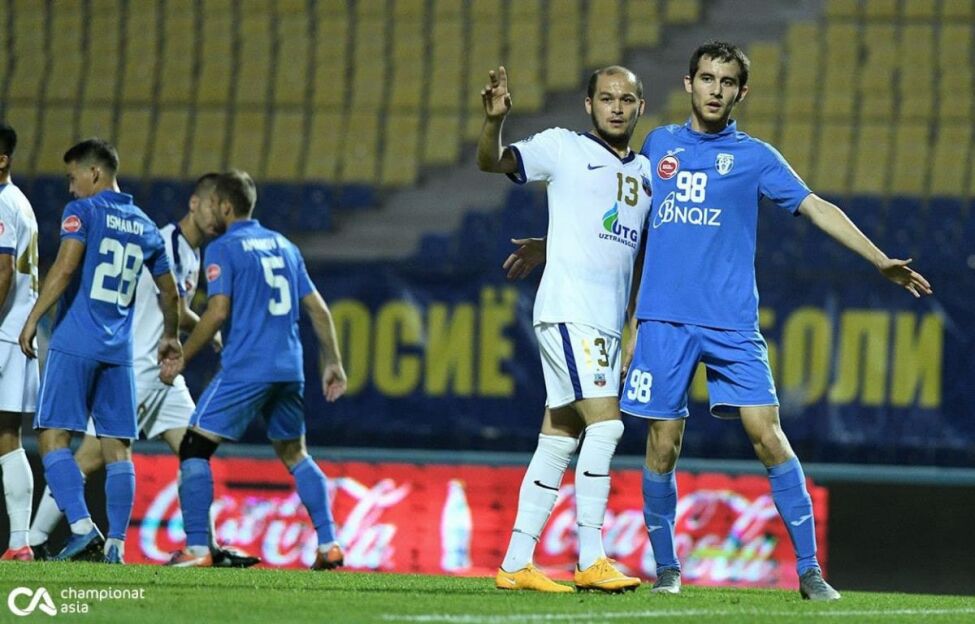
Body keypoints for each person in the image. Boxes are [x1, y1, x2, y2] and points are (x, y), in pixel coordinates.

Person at [623, 41, 932, 600]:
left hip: (733, 324)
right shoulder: (658, 145)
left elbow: (816, 206)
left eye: (727, 82)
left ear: (741, 92)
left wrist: (878, 258)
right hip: (664, 321)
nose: (715, 90)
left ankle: (810, 571)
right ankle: (667, 570)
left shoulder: (756, 157)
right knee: (663, 445)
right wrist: (628, 319)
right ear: (689, 83)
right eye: (707, 78)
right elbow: (631, 226)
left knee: (768, 437)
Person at [26, 173, 259, 568]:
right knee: (88, 458)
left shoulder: (193, 254)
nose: (215, 216)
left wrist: (201, 328)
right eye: (210, 204)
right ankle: (34, 541)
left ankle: (206, 547)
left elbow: (175, 306)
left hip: (164, 377)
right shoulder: (165, 241)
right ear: (194, 203)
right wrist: (205, 328)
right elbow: (172, 301)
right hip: (139, 369)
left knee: (195, 452)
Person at [477, 65, 651, 593]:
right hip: (569, 309)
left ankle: (515, 564)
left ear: (640, 107)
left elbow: (628, 251)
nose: (616, 107)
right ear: (588, 104)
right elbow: (492, 161)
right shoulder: (563, 147)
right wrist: (494, 122)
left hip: (606, 322)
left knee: (559, 438)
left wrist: (632, 326)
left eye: (626, 99)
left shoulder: (647, 173)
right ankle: (591, 556)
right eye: (606, 98)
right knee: (608, 425)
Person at [163, 170, 348, 569]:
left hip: (247, 367)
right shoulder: (285, 246)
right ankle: (328, 543)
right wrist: (332, 361)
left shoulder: (224, 248)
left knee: (194, 447)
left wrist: (183, 357)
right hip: (289, 368)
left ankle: (197, 549)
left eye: (215, 204)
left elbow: (217, 312)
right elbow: (318, 309)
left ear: (225, 206)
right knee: (295, 453)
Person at [18, 138, 182, 564]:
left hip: (76, 340)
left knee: (52, 436)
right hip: (119, 350)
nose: (71, 188)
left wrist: (33, 319)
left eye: (73, 178)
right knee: (118, 448)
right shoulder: (146, 226)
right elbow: (170, 293)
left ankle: (81, 528)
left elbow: (65, 267)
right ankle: (116, 545)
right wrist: (171, 335)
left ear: (94, 173)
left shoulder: (84, 211)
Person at [0, 123, 39, 561]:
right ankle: (19, 543)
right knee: (8, 436)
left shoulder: (2, 203)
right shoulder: (20, 202)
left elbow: (4, 270)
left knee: (8, 435)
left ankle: (19, 541)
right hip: (16, 333)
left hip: (4, 333)